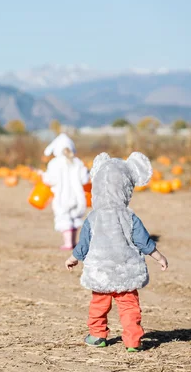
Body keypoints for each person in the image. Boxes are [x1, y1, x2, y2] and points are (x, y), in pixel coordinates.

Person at [65, 152, 169, 352]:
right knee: (130, 307)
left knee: (98, 305)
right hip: (126, 272)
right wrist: (159, 257)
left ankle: (97, 335)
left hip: (101, 272)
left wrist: (73, 258)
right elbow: (144, 241)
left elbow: (83, 244)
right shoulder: (129, 217)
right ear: (126, 189)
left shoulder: (93, 217)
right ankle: (132, 341)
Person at [42, 133, 89, 250]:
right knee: (75, 218)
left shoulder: (55, 163)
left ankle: (68, 243)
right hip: (77, 197)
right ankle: (73, 241)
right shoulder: (77, 162)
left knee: (64, 218)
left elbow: (51, 180)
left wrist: (43, 176)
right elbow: (85, 179)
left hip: (62, 197)